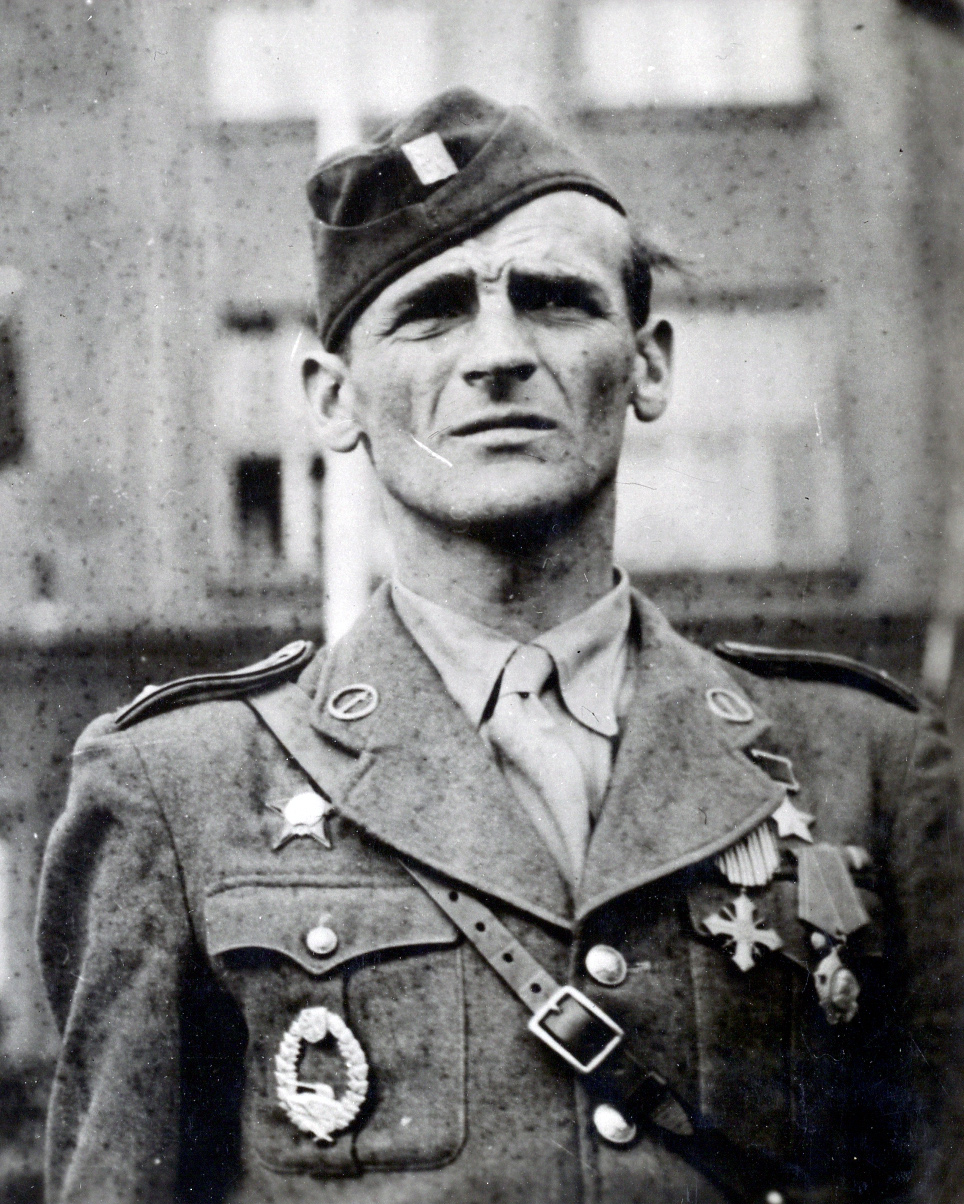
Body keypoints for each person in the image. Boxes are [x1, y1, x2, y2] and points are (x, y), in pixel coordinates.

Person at [36, 88, 964, 1204]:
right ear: (333, 399)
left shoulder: (864, 762)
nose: (499, 354)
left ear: (650, 365)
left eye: (555, 300)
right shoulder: (181, 789)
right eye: (430, 312)